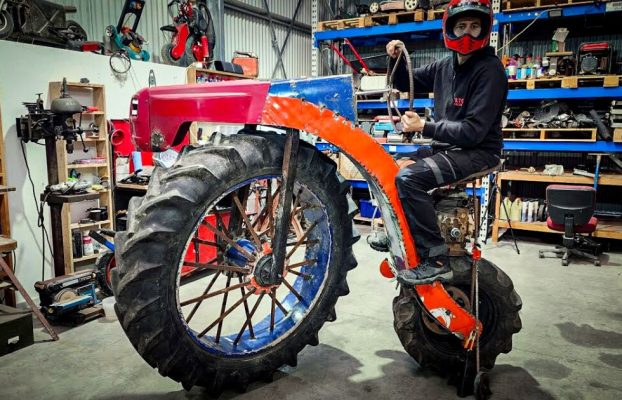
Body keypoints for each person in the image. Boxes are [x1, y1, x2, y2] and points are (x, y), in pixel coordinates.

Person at [369, 0, 508, 285]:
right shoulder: (446, 66)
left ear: (484, 29)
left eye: (474, 26)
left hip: (479, 151)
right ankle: (400, 230)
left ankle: (436, 259)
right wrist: (395, 58)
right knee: (391, 168)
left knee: (409, 179)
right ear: (449, 30)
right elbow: (404, 81)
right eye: (461, 26)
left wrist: (425, 126)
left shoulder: (490, 71)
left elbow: (473, 132)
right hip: (451, 147)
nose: (467, 34)